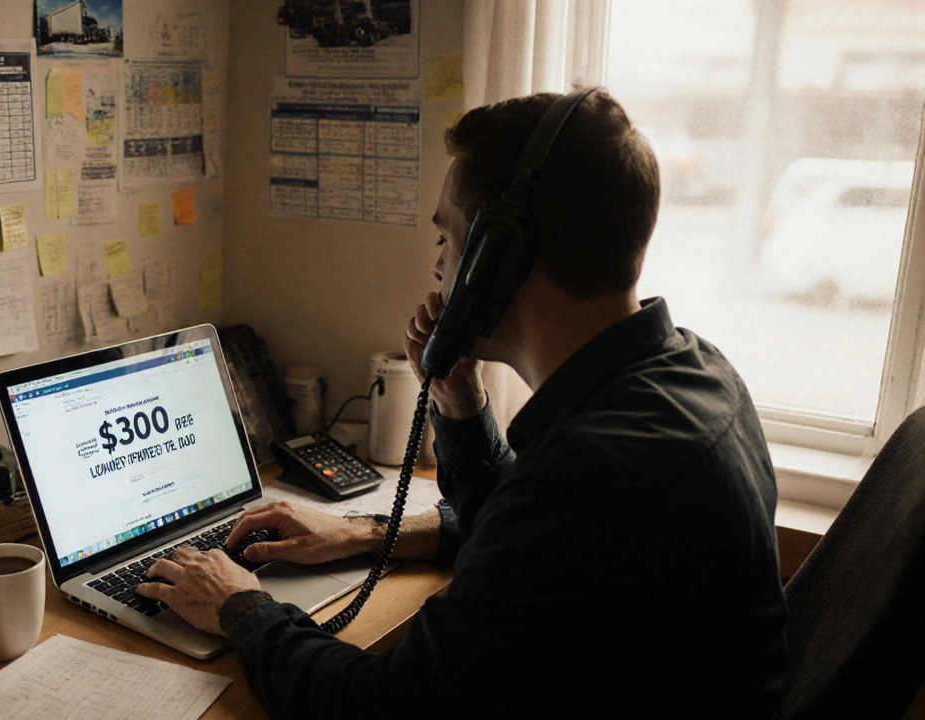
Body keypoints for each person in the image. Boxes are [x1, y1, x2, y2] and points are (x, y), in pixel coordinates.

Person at [137, 90, 787, 719]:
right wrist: (451, 410)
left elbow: (371, 706)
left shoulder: (595, 475)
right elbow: (522, 539)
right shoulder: (692, 371)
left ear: (498, 257)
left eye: (446, 240)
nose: (439, 268)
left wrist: (239, 604)